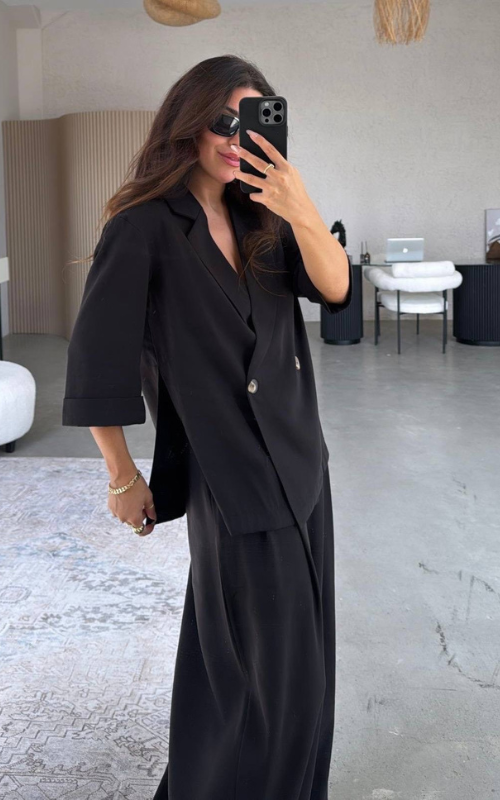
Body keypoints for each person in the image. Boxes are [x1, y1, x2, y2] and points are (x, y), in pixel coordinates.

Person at [62, 54, 352, 800]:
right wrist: (122, 478)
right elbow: (97, 360)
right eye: (222, 121)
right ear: (187, 124)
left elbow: (335, 288)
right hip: (231, 476)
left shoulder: (265, 217)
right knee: (264, 677)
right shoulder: (144, 227)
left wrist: (300, 204)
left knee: (294, 665)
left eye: (248, 123)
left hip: (302, 465)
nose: (233, 138)